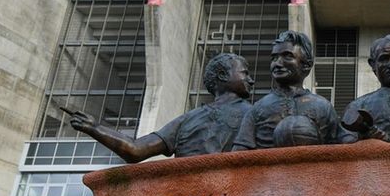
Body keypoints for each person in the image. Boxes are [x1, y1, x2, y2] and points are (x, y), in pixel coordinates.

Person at [67, 53, 253, 159]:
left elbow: (135, 150)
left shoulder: (188, 119)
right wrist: (93, 127)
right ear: (222, 75)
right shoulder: (256, 115)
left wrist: (94, 127)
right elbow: (136, 150)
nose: (251, 80)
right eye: (245, 73)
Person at [231, 30, 343, 150]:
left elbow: (341, 149)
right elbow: (239, 154)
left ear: (306, 65)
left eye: (288, 56)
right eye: (274, 58)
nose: (277, 63)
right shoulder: (258, 108)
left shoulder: (324, 107)